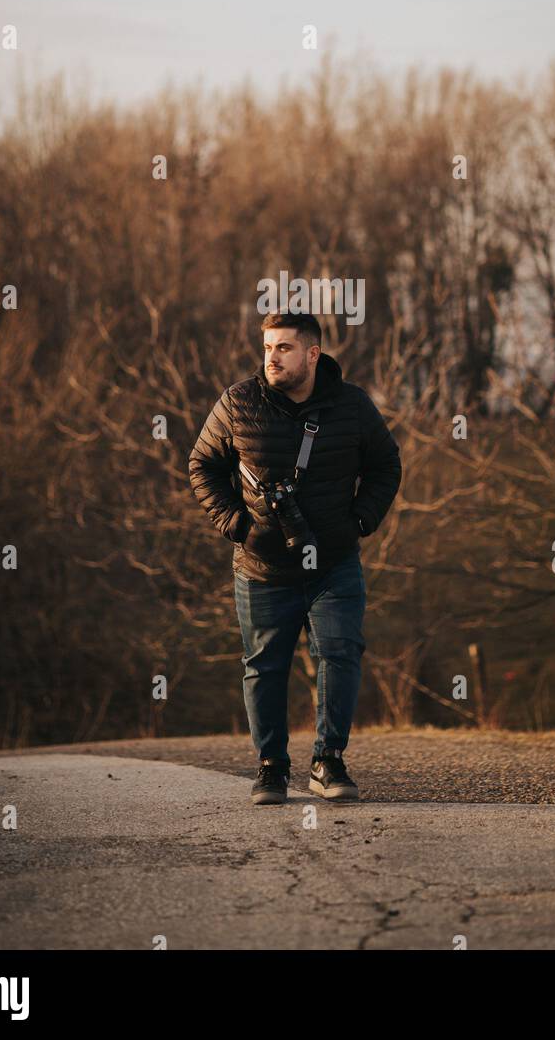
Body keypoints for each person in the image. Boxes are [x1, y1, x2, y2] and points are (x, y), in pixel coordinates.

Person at [188, 311, 402, 804]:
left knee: (340, 653)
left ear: (312, 353)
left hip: (333, 563)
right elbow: (201, 464)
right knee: (264, 666)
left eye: (283, 348)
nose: (272, 358)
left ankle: (328, 762)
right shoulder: (238, 403)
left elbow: (386, 464)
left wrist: (360, 522)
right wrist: (235, 525)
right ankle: (271, 768)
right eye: (267, 348)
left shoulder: (351, 406)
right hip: (261, 566)